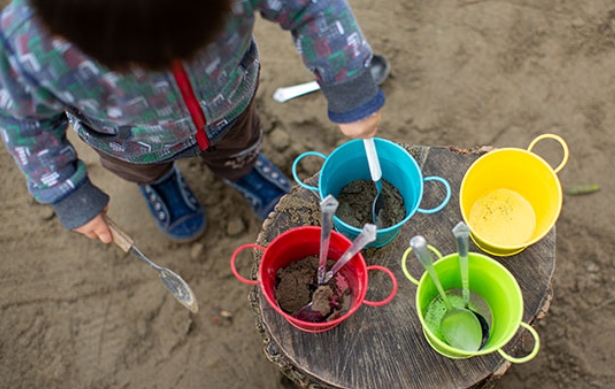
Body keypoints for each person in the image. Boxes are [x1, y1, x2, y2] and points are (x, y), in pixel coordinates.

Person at [0, 0, 385, 244]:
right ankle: (162, 181)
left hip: (228, 108)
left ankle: (241, 170)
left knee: (239, 146)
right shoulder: (27, 44)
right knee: (143, 170)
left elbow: (311, 6)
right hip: (127, 142)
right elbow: (24, 121)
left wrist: (351, 85)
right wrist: (68, 193)